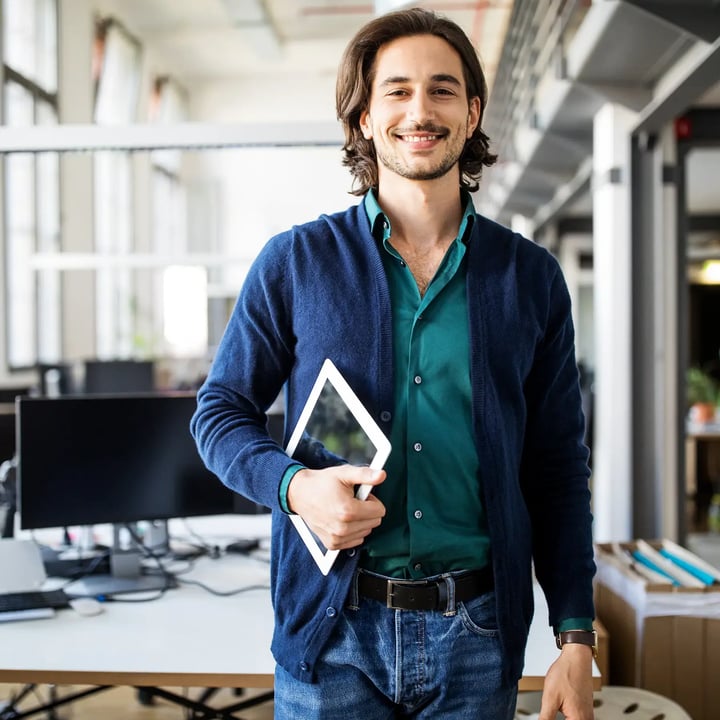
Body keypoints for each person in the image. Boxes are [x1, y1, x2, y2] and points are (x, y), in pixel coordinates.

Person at [191, 7, 595, 719]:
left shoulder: (529, 279)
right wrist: (296, 488)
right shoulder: (296, 263)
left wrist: (575, 634)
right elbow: (218, 415)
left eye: (443, 90)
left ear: (472, 113)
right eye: (397, 91)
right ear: (364, 118)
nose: (421, 110)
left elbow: (556, 465)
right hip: (332, 630)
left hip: (477, 635)